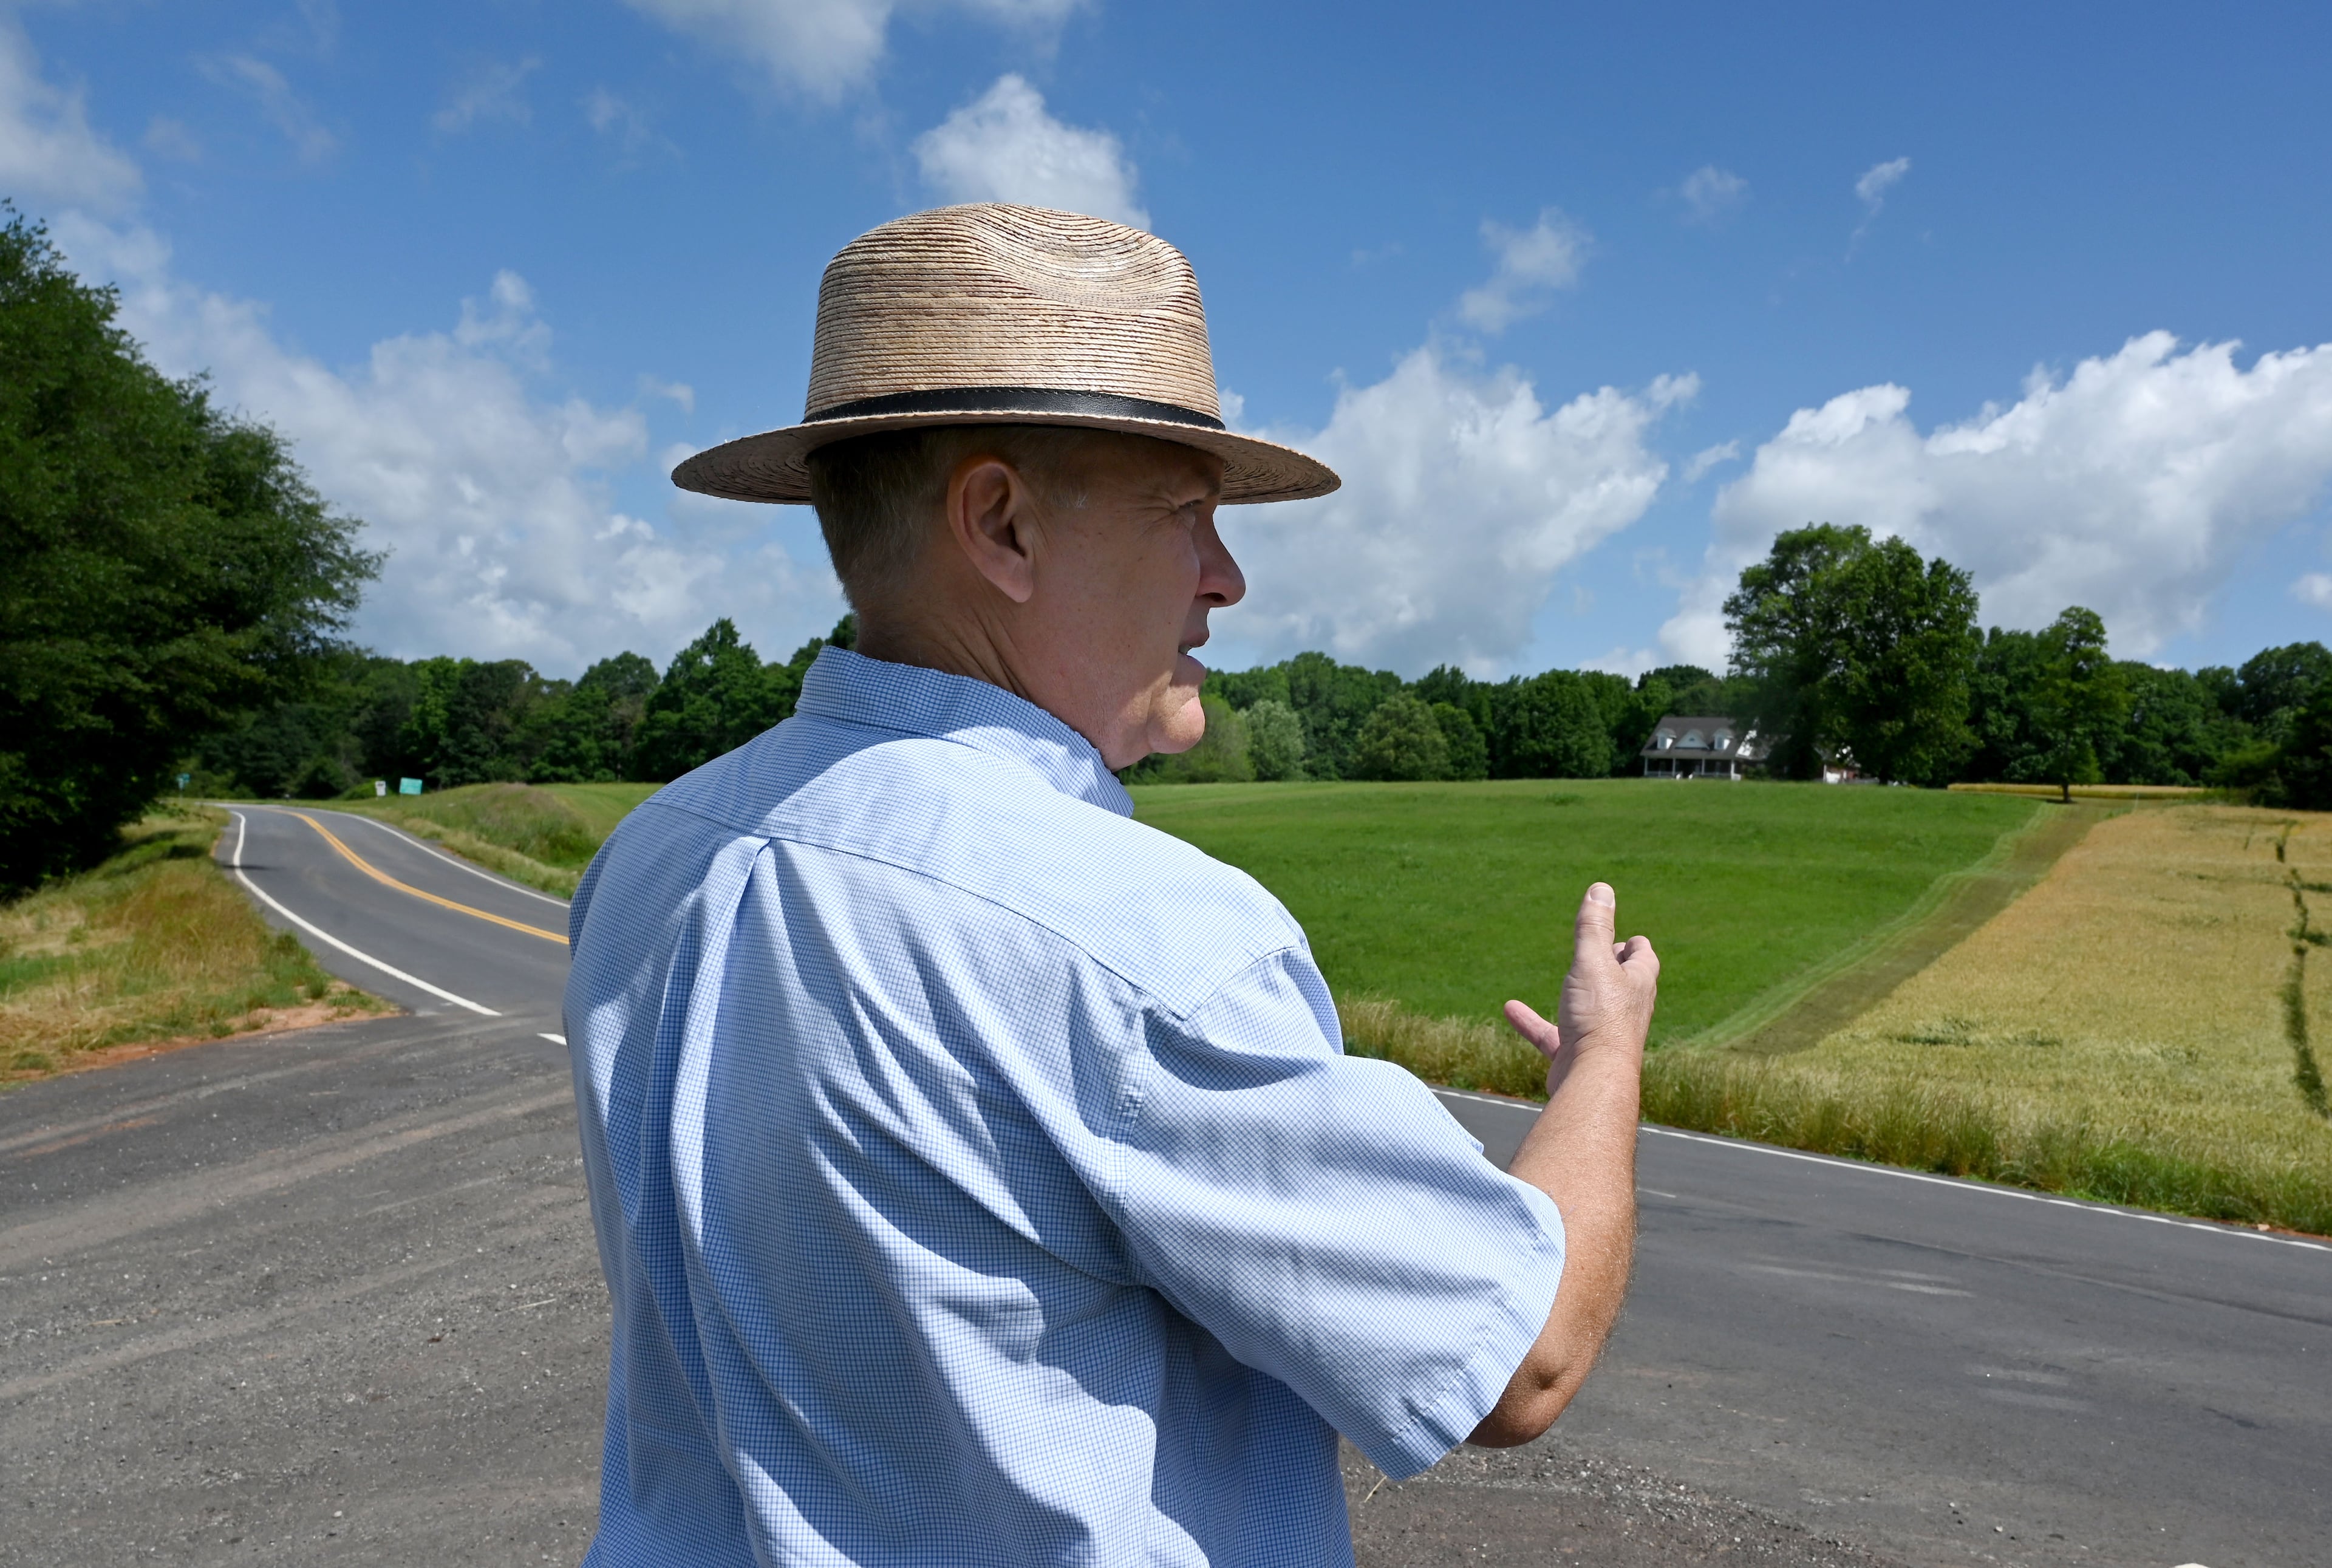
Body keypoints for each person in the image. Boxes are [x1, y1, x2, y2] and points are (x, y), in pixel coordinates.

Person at [562, 203, 1659, 1567]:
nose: (1227, 578)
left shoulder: (650, 855)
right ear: (1003, 524)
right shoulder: (1133, 936)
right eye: (1186, 514)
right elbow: (1521, 1357)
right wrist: (1604, 1070)